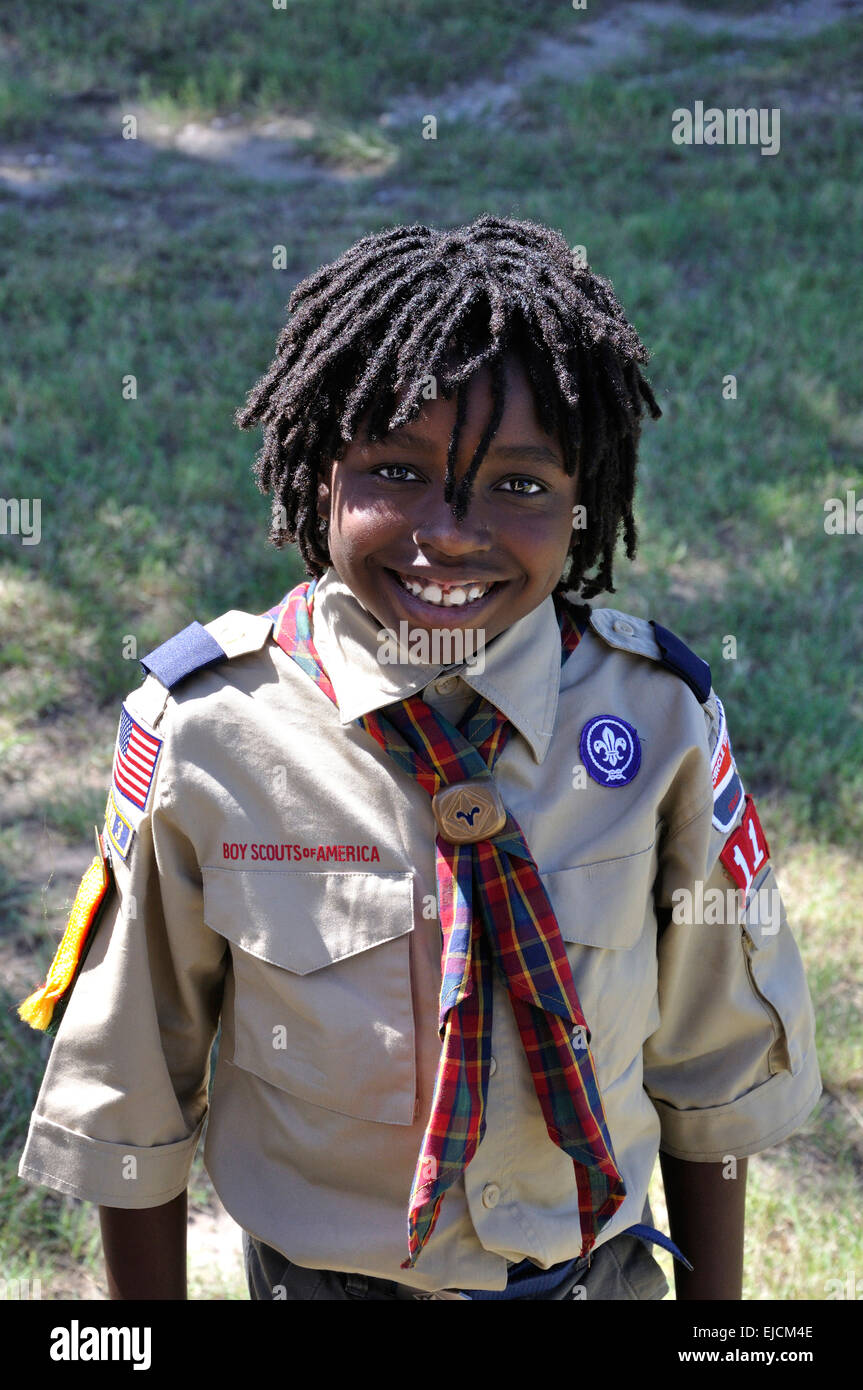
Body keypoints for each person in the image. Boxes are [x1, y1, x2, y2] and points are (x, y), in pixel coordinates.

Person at [18, 214, 821, 1301]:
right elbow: (133, 1097)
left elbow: (713, 1076)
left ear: (585, 497)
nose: (448, 533)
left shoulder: (659, 724)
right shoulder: (211, 732)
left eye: (519, 484)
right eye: (397, 470)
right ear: (317, 477)